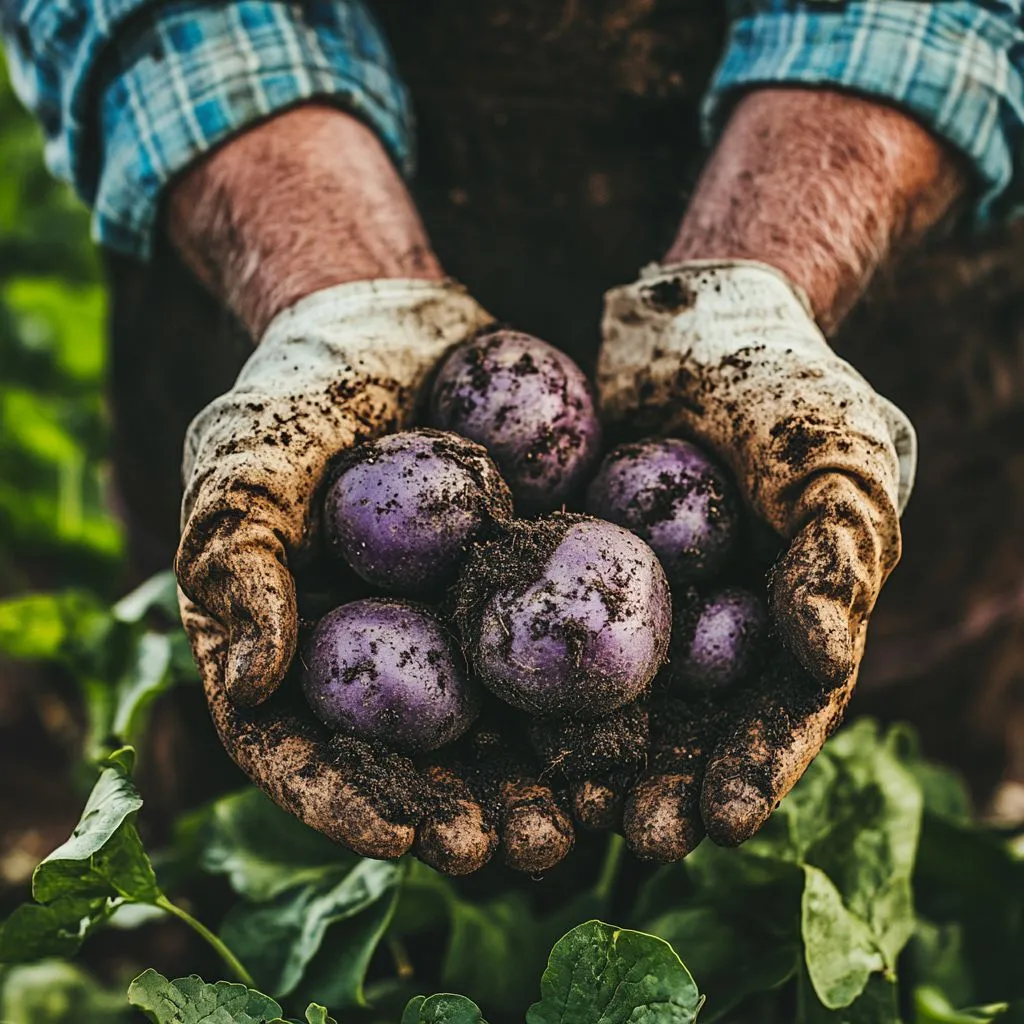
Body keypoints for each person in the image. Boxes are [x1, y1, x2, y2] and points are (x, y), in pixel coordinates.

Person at [3, 0, 1022, 875]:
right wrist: (328, 292)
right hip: (266, 280)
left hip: (889, 293)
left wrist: (754, 296)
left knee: (873, 717)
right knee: (247, 711)